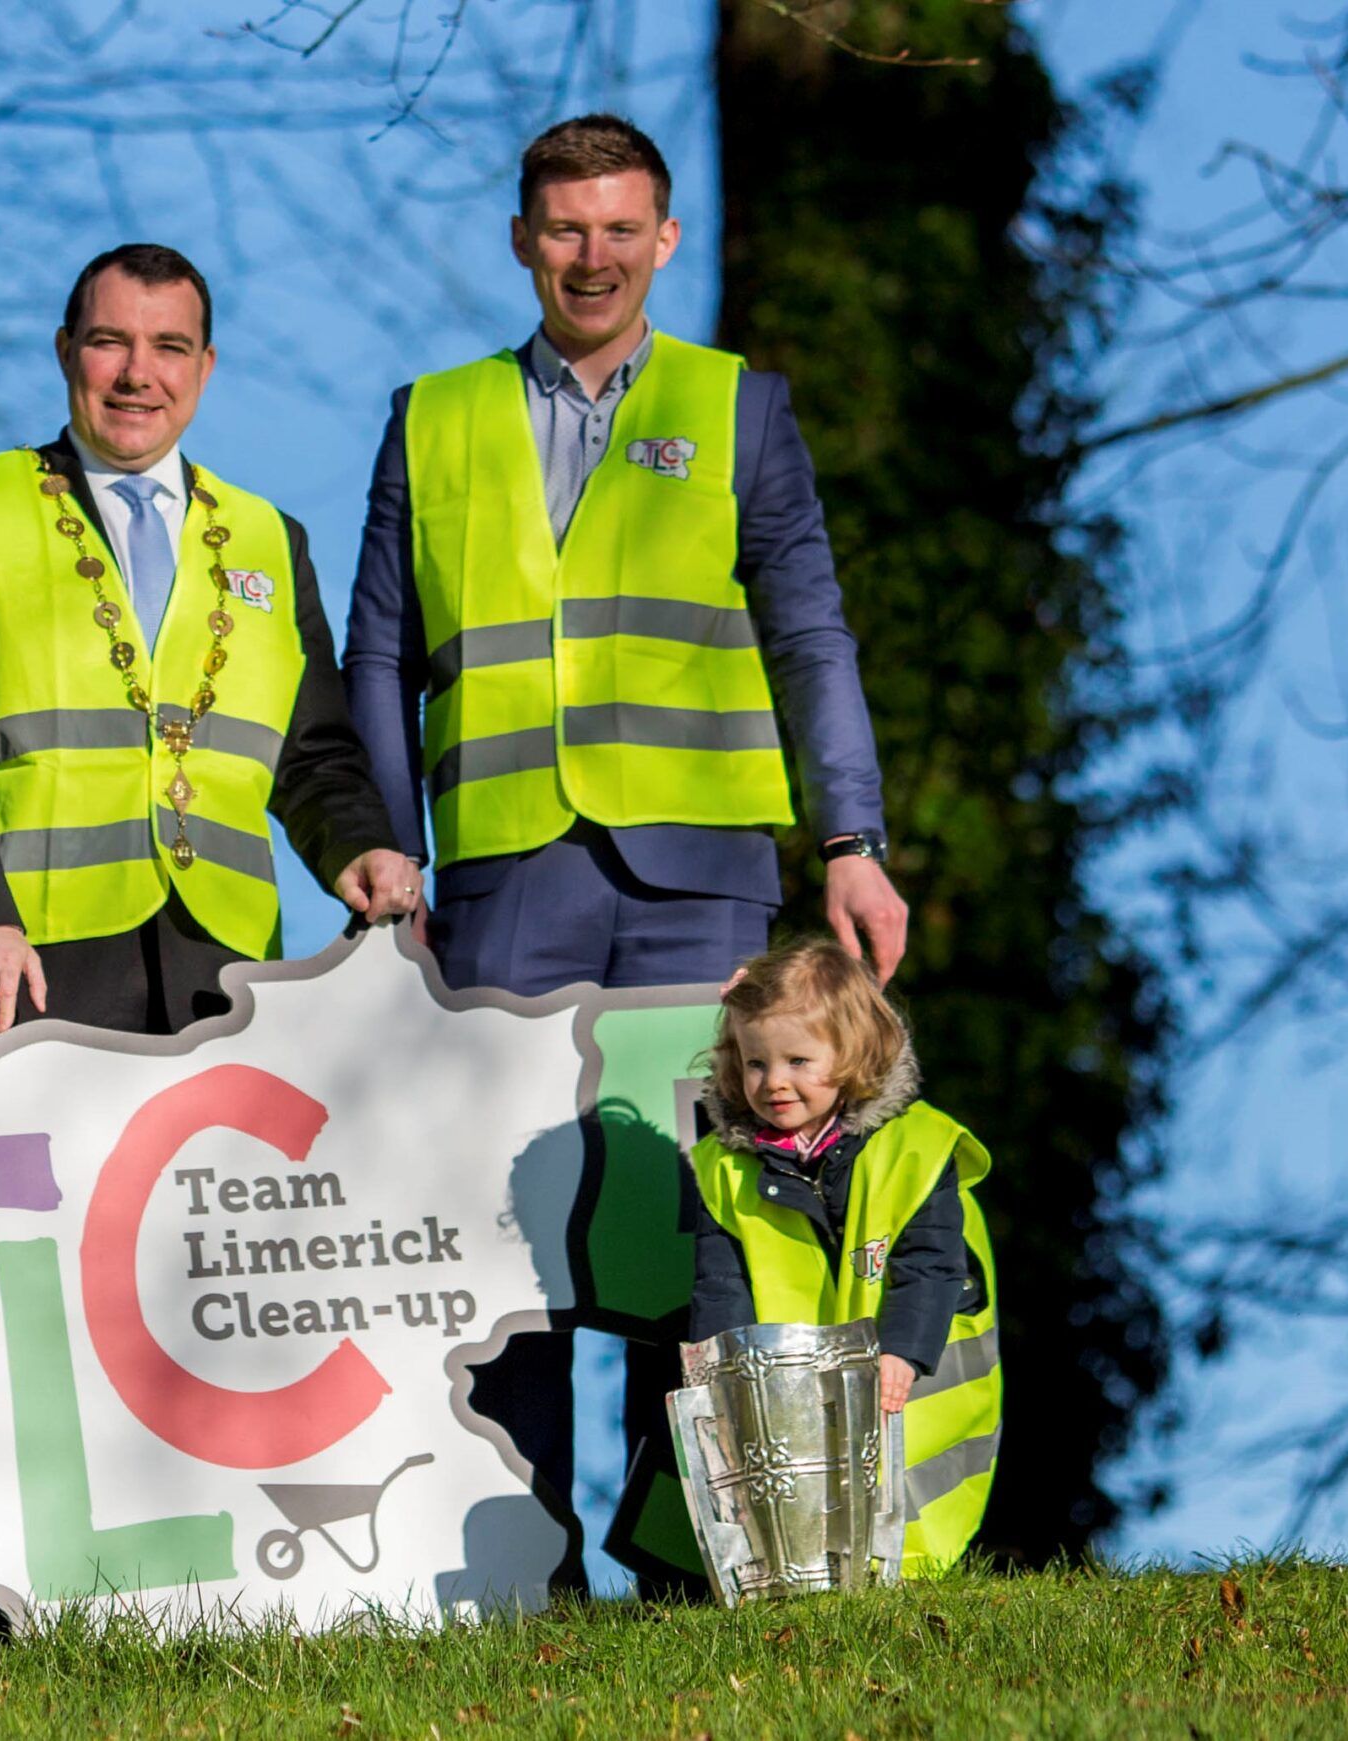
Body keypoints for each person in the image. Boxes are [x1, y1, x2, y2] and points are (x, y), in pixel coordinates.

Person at [338, 113, 911, 1585]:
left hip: (700, 881)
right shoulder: (435, 415)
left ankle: (690, 1558)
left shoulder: (741, 410)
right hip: (503, 879)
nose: (591, 257)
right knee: (504, 1227)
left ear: (666, 241)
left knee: (693, 1220)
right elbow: (381, 649)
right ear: (523, 240)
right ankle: (521, 1567)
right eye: (564, 228)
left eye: (619, 229)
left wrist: (851, 837)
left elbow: (810, 633)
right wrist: (390, 852)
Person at [0, 243, 414, 1059]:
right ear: (66, 352)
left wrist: (361, 845)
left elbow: (314, 754)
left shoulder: (271, 538)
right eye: (109, 342)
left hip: (228, 979)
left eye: (169, 347)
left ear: (205, 366)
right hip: (24, 968)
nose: (139, 373)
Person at [682, 938, 1000, 1572]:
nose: (773, 1082)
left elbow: (932, 1263)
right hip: (798, 1375)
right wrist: (713, 1378)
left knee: (900, 1483)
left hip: (908, 1363)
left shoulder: (918, 1144)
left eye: (798, 1060)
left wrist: (905, 1352)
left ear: (853, 1054)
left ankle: (906, 1569)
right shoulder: (723, 1167)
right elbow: (720, 1285)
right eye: (754, 1064)